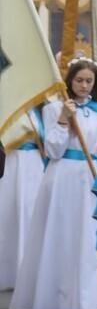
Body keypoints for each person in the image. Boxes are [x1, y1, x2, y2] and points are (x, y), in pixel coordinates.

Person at [10, 58, 97, 309]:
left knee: (89, 241)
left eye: (88, 81)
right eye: (79, 80)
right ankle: (61, 302)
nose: (83, 85)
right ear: (70, 81)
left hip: (90, 179)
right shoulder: (55, 108)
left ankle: (88, 305)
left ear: (94, 84)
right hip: (61, 179)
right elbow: (54, 150)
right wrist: (62, 120)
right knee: (62, 239)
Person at [0, 109, 46, 290]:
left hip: (34, 165)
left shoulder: (39, 111)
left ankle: (29, 273)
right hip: (12, 162)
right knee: (9, 214)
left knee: (31, 214)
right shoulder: (8, 106)